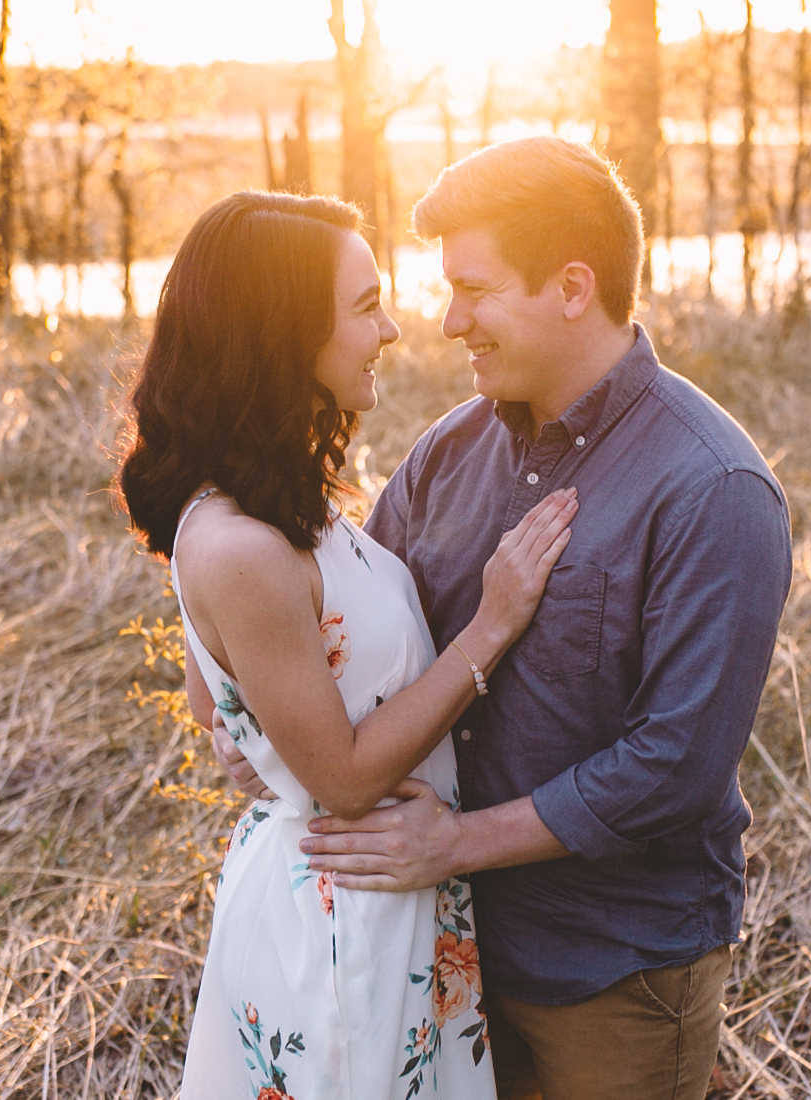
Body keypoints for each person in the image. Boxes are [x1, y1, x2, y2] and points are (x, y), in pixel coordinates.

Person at [217, 139, 792, 1100]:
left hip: (612, 967)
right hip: (442, 957)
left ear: (572, 287)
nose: (446, 323)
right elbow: (356, 637)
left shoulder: (712, 488)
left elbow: (677, 765)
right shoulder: (450, 452)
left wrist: (458, 842)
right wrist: (268, 728)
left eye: (474, 291)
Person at [119, 191, 579, 1100]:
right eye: (366, 307)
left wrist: (254, 738)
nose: (397, 330)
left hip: (388, 900)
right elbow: (342, 779)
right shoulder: (241, 542)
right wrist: (491, 627)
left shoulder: (274, 504)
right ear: (283, 336)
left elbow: (214, 703)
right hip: (337, 920)